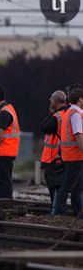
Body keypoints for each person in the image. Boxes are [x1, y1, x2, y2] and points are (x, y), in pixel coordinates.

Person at [52, 88, 83, 216]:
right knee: (68, 186)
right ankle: (58, 211)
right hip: (75, 155)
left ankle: (78, 212)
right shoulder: (75, 114)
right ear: (80, 100)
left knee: (76, 187)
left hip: (71, 155)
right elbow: (78, 135)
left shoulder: (69, 112)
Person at [0, 85, 20, 200]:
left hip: (4, 151)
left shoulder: (4, 113)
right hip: (8, 151)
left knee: (3, 182)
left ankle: (6, 205)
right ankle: (7, 205)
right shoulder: (5, 110)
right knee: (5, 180)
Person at [40, 90, 69, 205]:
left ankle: (56, 210)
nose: (49, 101)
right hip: (59, 156)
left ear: (56, 101)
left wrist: (50, 113)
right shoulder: (65, 114)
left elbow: (44, 127)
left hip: (54, 157)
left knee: (55, 186)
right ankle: (56, 209)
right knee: (58, 186)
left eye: (51, 99)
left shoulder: (56, 117)